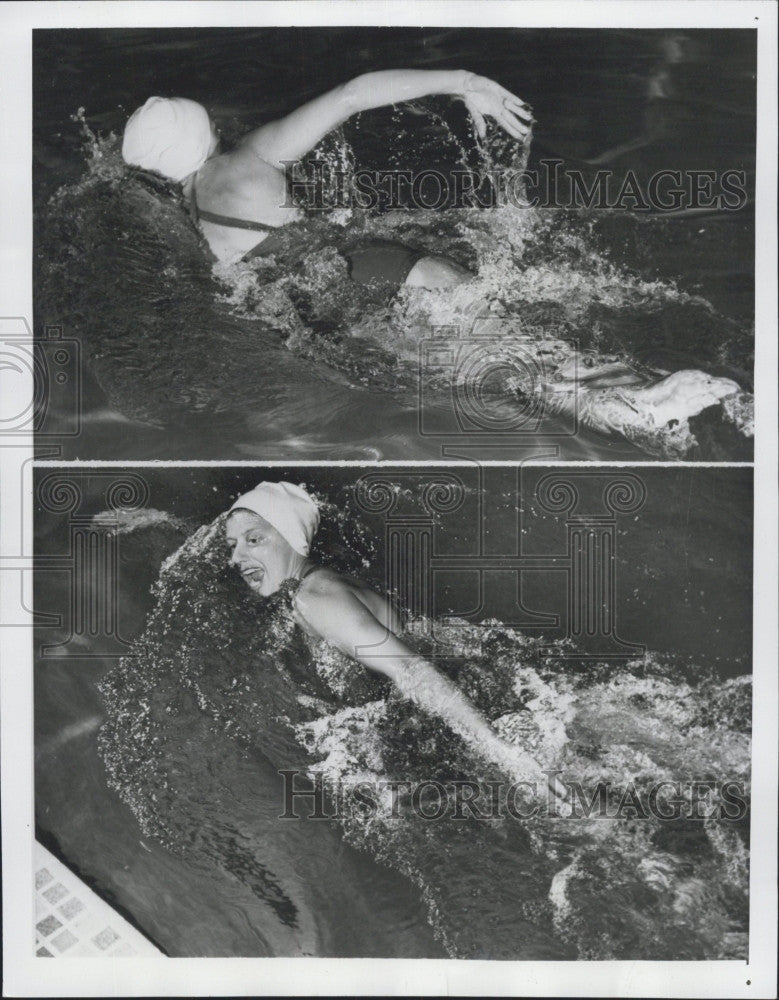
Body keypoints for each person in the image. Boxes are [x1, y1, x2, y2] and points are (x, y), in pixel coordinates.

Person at [224, 480, 566, 799]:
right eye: (233, 545)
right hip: (461, 691)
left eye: (254, 540)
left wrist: (501, 751)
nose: (236, 558)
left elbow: (408, 668)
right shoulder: (319, 584)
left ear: (292, 537)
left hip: (461, 708)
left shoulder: (314, 599)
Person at [121, 70, 532, 285]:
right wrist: (464, 82)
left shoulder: (187, 216)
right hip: (360, 263)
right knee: (530, 353)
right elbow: (350, 95)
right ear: (201, 132)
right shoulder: (249, 156)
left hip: (304, 307)